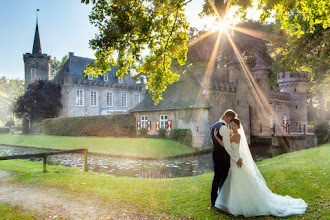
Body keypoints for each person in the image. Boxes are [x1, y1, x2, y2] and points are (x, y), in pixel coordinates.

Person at [214, 118, 307, 217]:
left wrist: (216, 137)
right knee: (237, 181)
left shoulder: (236, 135)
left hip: (236, 161)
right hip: (235, 160)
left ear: (237, 126)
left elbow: (225, 145)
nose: (231, 127)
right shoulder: (235, 134)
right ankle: (235, 203)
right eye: (230, 125)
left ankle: (240, 204)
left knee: (239, 181)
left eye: (233, 125)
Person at [210, 109, 243, 208]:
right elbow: (227, 147)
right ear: (228, 117)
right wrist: (236, 159)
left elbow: (215, 142)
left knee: (216, 177)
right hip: (223, 157)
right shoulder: (223, 128)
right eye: (231, 120)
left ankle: (214, 200)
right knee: (223, 179)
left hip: (215, 155)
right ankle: (222, 201)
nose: (230, 122)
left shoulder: (214, 126)